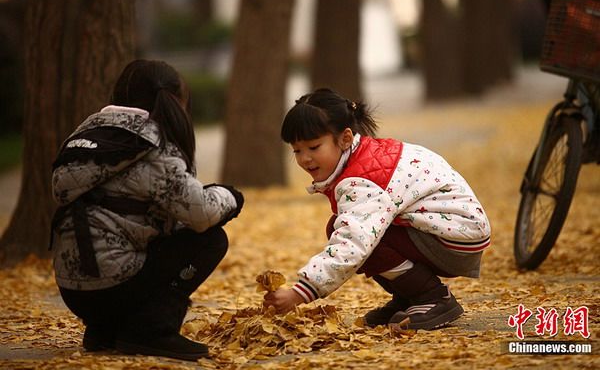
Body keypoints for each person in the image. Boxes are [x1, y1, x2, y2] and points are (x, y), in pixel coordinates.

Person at [50, 59, 244, 361]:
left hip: (73, 290)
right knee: (209, 240)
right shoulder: (153, 143)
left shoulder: (87, 133)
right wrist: (230, 196)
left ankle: (105, 329)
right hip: (114, 286)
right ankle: (151, 330)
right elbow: (200, 214)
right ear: (175, 99)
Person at [263, 88, 491, 330]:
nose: (305, 158)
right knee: (344, 226)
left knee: (360, 236)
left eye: (314, 147)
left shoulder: (362, 179)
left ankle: (433, 298)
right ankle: (409, 297)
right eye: (297, 150)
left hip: (454, 242)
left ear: (345, 138)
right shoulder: (365, 156)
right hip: (451, 231)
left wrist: (300, 293)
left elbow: (352, 243)